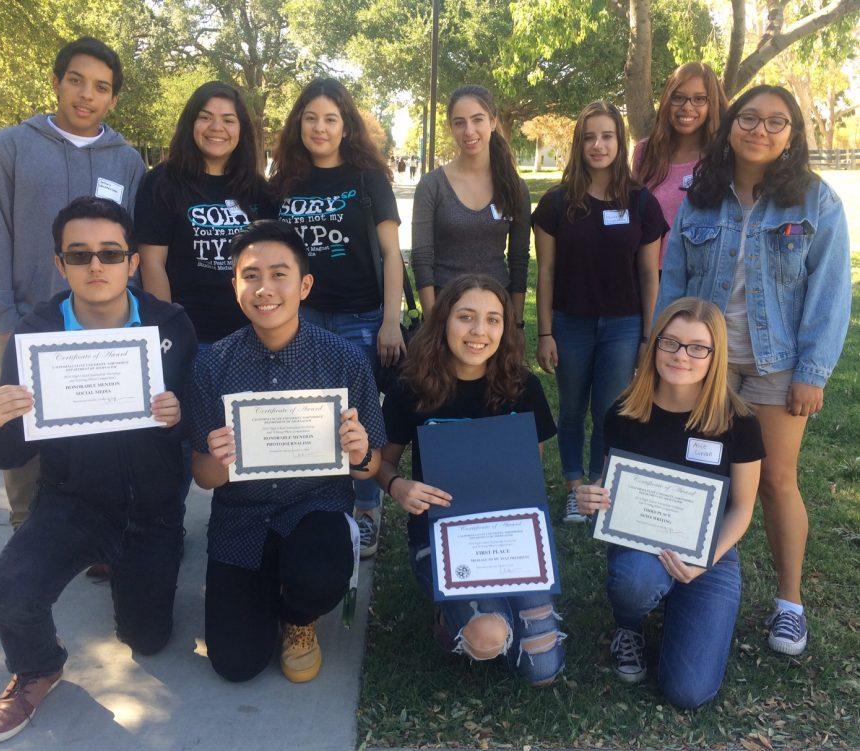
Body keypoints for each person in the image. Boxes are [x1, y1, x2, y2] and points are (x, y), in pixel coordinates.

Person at [0, 197, 196, 743]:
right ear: (59, 264)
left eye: (111, 253)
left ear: (133, 262)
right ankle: (40, 666)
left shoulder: (171, 325)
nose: (97, 266)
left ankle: (146, 557)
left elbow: (202, 414)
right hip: (73, 502)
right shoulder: (33, 334)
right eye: (80, 254)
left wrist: (181, 413)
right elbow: (13, 453)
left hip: (152, 509)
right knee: (5, 590)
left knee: (148, 637)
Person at [656, 85, 851, 656]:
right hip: (702, 363)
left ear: (793, 134)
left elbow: (831, 292)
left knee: (774, 481)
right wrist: (665, 352)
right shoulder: (701, 196)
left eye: (776, 122)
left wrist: (812, 371)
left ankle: (789, 603)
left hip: (775, 366)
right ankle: (686, 581)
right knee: (695, 474)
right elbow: (674, 280)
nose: (760, 130)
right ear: (731, 124)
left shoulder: (815, 202)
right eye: (749, 118)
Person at [185, 220, 386, 684]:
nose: (265, 288)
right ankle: (263, 590)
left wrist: (358, 452)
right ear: (234, 284)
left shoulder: (343, 359)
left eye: (279, 274)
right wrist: (218, 462)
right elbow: (202, 475)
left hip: (314, 507)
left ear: (305, 284)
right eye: (251, 275)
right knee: (236, 664)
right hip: (243, 516)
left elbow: (370, 465)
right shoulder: (212, 365)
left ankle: (299, 618)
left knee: (319, 572)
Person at [0, 37, 146, 531]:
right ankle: (29, 531)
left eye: (101, 87)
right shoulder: (11, 146)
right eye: (76, 80)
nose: (86, 95)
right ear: (56, 82)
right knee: (22, 431)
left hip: (102, 323)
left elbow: (129, 244)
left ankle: (98, 533)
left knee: (99, 437)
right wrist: (4, 314)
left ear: (113, 98)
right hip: (28, 318)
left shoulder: (127, 161)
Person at [576, 297, 763, 708]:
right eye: (671, 342)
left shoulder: (739, 421)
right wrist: (591, 494)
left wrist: (705, 560)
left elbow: (742, 509)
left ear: (715, 356)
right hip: (640, 544)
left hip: (710, 552)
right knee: (635, 584)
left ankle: (681, 602)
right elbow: (610, 484)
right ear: (654, 343)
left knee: (689, 692)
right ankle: (630, 624)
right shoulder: (624, 413)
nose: (682, 355)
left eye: (698, 347)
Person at [376, 274, 564, 685]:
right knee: (489, 638)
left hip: (510, 536)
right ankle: (453, 619)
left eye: (493, 319)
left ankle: (499, 605)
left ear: (505, 327)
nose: (479, 331)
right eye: (466, 317)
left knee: (542, 670)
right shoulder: (412, 385)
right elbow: (380, 462)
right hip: (441, 532)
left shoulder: (523, 386)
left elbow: (528, 473)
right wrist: (397, 486)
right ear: (444, 320)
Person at [270, 78, 404, 559]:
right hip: (299, 320)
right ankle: (316, 504)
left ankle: (365, 508)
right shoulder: (283, 182)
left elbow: (392, 254)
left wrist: (392, 319)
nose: (320, 128)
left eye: (330, 119)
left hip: (361, 318)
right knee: (306, 414)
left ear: (345, 126)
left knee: (359, 417)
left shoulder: (368, 179)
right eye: (310, 118)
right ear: (298, 124)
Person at [533, 101, 666, 524]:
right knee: (571, 409)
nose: (598, 144)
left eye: (607, 135)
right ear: (579, 143)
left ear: (619, 142)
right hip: (570, 323)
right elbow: (547, 270)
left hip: (624, 326)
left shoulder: (641, 203)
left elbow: (649, 274)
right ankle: (575, 487)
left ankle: (598, 485)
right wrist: (545, 332)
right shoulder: (556, 203)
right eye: (589, 136)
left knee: (609, 410)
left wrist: (649, 335)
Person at [135, 81, 275, 348]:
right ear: (190, 124)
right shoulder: (161, 183)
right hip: (188, 335)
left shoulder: (258, 189)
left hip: (250, 335)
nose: (216, 128)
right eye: (205, 117)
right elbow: (152, 263)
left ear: (241, 129)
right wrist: (168, 329)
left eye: (228, 120)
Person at [411, 85, 530, 321]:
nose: (469, 130)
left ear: (493, 122)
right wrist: (432, 320)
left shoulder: (515, 187)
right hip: (446, 310)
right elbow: (422, 258)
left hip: (496, 314)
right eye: (459, 123)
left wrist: (515, 322)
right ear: (451, 128)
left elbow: (519, 259)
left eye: (478, 120)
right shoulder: (431, 186)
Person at [632, 62, 727, 269]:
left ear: (713, 104)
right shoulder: (645, 152)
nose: (687, 106)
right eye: (678, 97)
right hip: (651, 275)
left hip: (702, 278)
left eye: (699, 99)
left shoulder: (724, 157)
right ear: (667, 100)